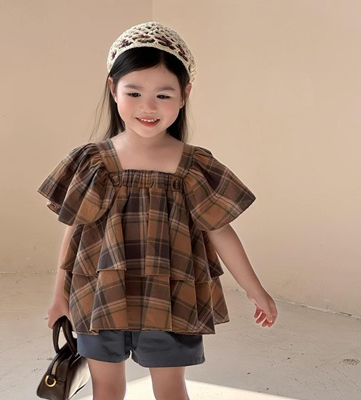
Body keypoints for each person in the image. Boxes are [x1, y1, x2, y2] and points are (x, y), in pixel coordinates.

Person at [38, 21, 277, 400]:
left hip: (170, 298)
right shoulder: (91, 162)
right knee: (106, 389)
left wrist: (255, 290)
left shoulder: (194, 166)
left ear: (184, 94)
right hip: (98, 295)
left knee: (170, 390)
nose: (148, 107)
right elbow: (75, 232)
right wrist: (59, 296)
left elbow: (220, 230)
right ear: (113, 89)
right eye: (134, 92)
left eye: (163, 95)